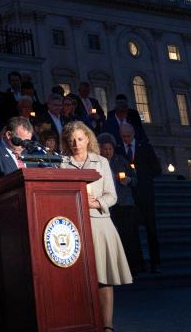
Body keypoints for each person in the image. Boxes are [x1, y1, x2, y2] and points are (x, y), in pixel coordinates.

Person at [62, 121, 132, 332]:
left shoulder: (101, 161)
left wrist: (94, 203)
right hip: (73, 225)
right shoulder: (62, 163)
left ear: (88, 139)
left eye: (80, 139)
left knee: (104, 278)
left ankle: (107, 326)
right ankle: (82, 322)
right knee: (77, 280)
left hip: (100, 224)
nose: (76, 143)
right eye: (72, 140)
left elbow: (112, 195)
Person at [119, 122, 161, 273]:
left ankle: (156, 263)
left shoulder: (145, 148)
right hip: (129, 196)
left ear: (134, 134)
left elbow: (157, 169)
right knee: (132, 231)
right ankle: (138, 264)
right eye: (123, 137)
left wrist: (141, 176)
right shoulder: (120, 150)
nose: (126, 139)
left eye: (128, 136)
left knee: (151, 230)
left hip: (145, 194)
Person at [98, 133, 142, 276]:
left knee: (129, 235)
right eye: (104, 149)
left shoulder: (121, 161)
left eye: (110, 149)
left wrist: (128, 180)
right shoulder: (98, 163)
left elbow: (135, 179)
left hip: (124, 204)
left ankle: (133, 266)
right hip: (109, 205)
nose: (107, 152)